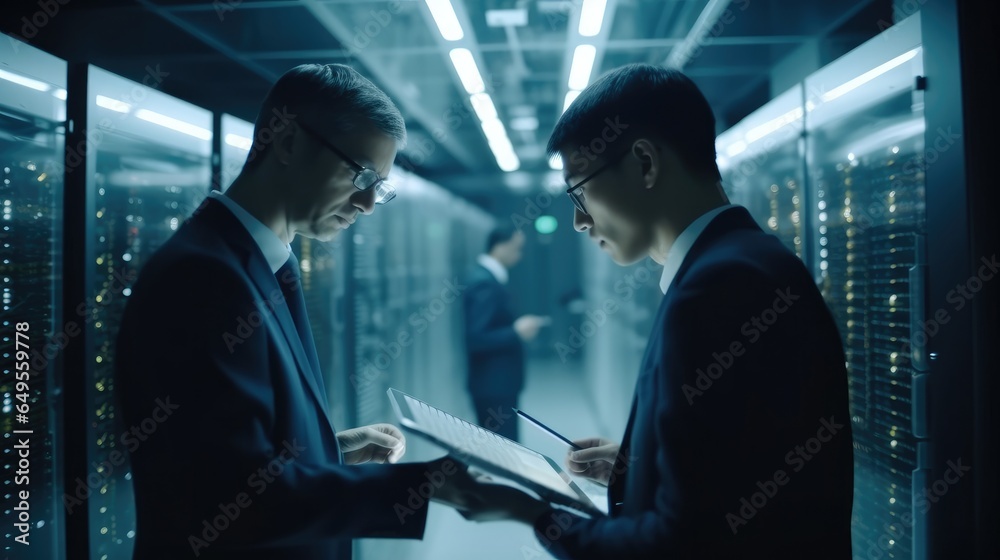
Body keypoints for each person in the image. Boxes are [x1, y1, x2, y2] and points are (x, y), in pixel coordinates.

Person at [444, 63, 855, 558]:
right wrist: (640, 466)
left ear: (644, 164)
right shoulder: (742, 263)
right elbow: (746, 471)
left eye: (579, 193)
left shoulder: (719, 288)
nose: (578, 221)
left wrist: (533, 511)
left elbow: (679, 545)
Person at [114, 63, 462, 559]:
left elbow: (221, 455)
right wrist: (428, 486)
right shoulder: (203, 278)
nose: (366, 203)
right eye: (360, 174)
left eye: (379, 186)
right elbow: (225, 500)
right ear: (288, 142)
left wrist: (327, 450)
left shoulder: (256, 267)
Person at [462, 226, 548, 442]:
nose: (520, 255)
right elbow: (476, 338)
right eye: (517, 248)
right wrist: (516, 332)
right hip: (494, 386)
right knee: (502, 453)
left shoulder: (489, 277)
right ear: (500, 246)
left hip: (496, 384)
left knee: (500, 450)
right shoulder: (484, 282)